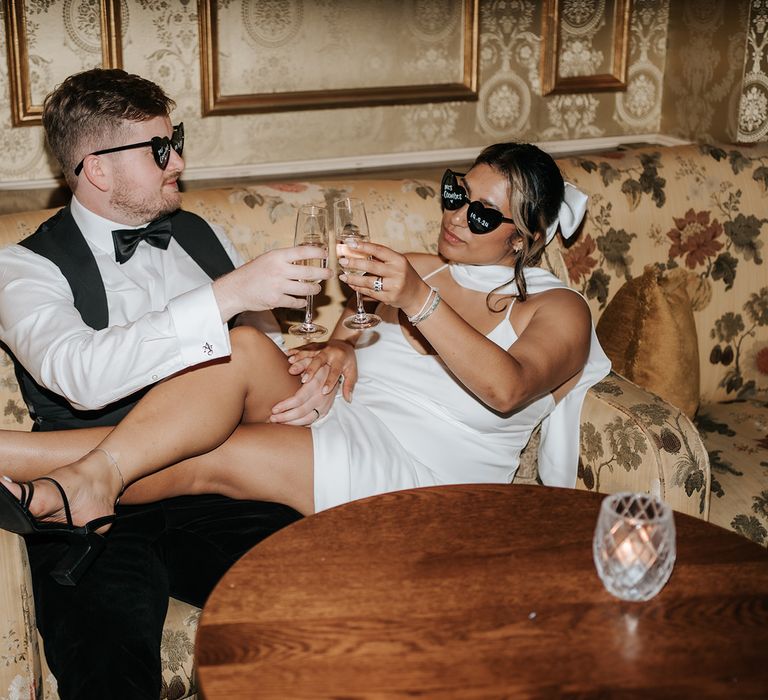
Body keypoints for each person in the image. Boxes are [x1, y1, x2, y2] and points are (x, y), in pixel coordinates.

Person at [1, 142, 610, 541]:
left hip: (427, 481)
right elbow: (357, 325)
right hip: (350, 420)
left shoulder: (559, 311)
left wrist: (417, 300)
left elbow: (506, 390)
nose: (455, 216)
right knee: (240, 348)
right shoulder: (421, 263)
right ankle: (74, 481)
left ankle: (64, 481)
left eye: (481, 215)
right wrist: (343, 347)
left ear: (525, 237)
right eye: (456, 194)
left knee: (216, 454)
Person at [0, 68, 333, 700]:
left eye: (173, 138)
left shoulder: (201, 233)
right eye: (159, 149)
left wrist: (318, 366)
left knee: (323, 608)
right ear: (97, 169)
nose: (177, 159)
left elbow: (258, 350)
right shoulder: (21, 266)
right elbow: (79, 376)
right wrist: (226, 294)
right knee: (107, 667)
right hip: (90, 502)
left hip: (221, 479)